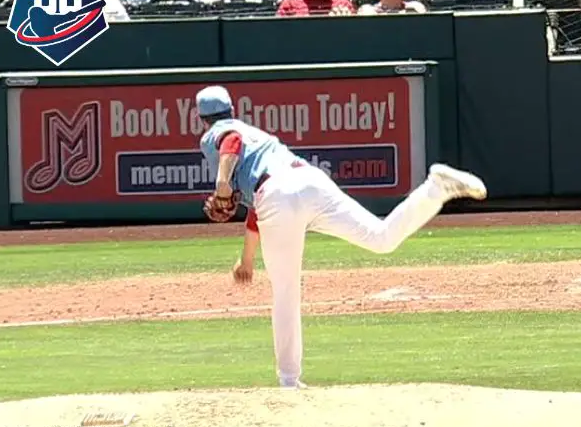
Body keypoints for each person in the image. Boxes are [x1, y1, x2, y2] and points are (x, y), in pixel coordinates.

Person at [195, 85, 487, 388]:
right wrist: (246, 259)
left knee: (285, 291)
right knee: (381, 237)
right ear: (232, 109)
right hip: (309, 180)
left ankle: (289, 381)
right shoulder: (257, 134)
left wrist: (222, 185)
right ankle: (435, 189)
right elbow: (258, 209)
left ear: (202, 118)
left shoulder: (215, 133)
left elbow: (231, 142)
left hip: (275, 194)